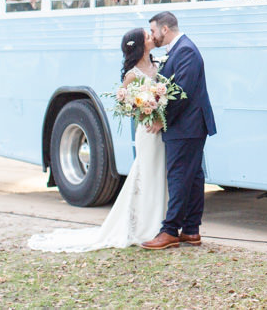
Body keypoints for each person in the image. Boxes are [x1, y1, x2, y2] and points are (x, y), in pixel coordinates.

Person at [28, 28, 167, 252]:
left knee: (160, 172)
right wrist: (145, 111)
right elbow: (127, 105)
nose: (152, 37)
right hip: (147, 131)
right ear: (141, 45)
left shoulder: (158, 66)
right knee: (147, 172)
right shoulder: (132, 74)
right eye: (147, 36)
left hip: (161, 130)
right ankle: (145, 226)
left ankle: (160, 221)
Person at [141, 12, 217, 250]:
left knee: (178, 176)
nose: (152, 37)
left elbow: (181, 92)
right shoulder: (179, 50)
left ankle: (170, 230)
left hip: (187, 125)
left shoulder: (185, 50)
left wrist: (162, 120)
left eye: (153, 31)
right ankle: (191, 230)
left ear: (165, 29)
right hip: (190, 125)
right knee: (193, 177)